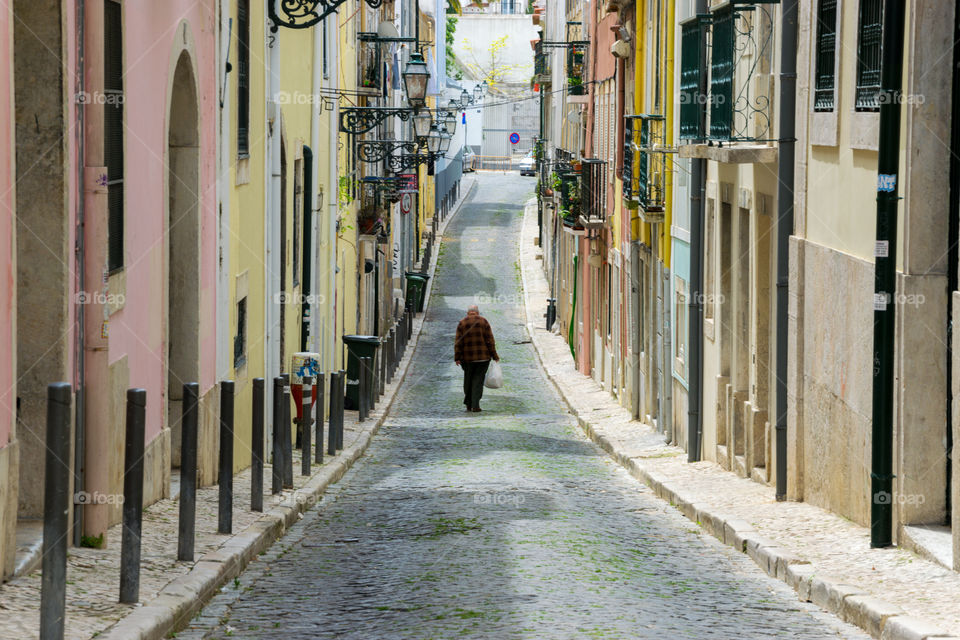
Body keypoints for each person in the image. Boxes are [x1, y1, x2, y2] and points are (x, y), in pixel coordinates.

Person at [454, 305, 500, 412]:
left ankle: (468, 404)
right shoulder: (484, 321)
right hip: (483, 358)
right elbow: (490, 341)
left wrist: (457, 357)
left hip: (467, 359)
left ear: (468, 313)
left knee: (468, 380)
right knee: (478, 381)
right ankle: (475, 405)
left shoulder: (462, 323)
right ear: (477, 313)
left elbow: (458, 342)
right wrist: (494, 355)